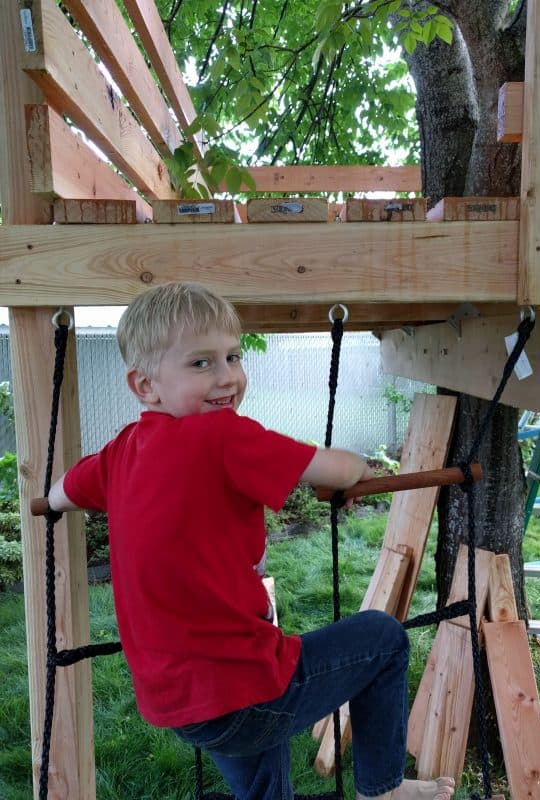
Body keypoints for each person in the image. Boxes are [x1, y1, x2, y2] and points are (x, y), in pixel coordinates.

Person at [48, 282, 455, 800]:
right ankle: (382, 786)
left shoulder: (122, 450)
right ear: (144, 385)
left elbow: (66, 489)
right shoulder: (222, 435)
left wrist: (49, 503)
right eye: (201, 363)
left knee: (263, 778)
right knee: (384, 639)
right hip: (243, 691)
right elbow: (338, 464)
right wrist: (357, 470)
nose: (227, 377)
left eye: (233, 356)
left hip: (177, 702)